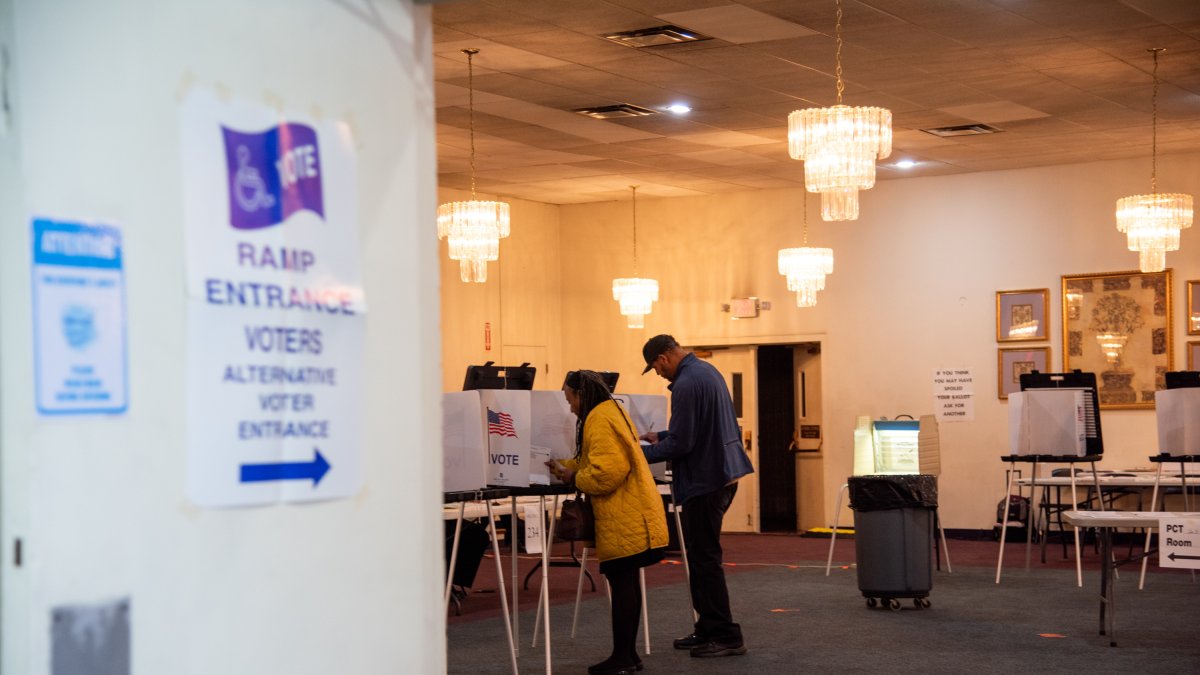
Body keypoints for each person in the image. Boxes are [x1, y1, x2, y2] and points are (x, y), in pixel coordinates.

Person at [637, 334, 754, 658]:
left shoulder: (686, 384)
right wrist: (660, 435)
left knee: (704, 561)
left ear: (663, 358)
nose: (659, 375)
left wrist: (639, 453)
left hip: (705, 479)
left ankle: (725, 635)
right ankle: (706, 629)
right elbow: (697, 430)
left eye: (656, 368)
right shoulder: (706, 372)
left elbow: (682, 445)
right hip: (722, 474)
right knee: (703, 559)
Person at [547, 370, 669, 675]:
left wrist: (574, 477)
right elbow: (598, 459)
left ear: (581, 394)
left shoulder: (598, 418)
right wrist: (566, 466)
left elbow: (606, 473)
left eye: (570, 398)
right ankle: (627, 655)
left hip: (624, 515)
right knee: (626, 583)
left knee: (623, 583)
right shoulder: (611, 410)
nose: (570, 407)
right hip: (634, 512)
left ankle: (624, 657)